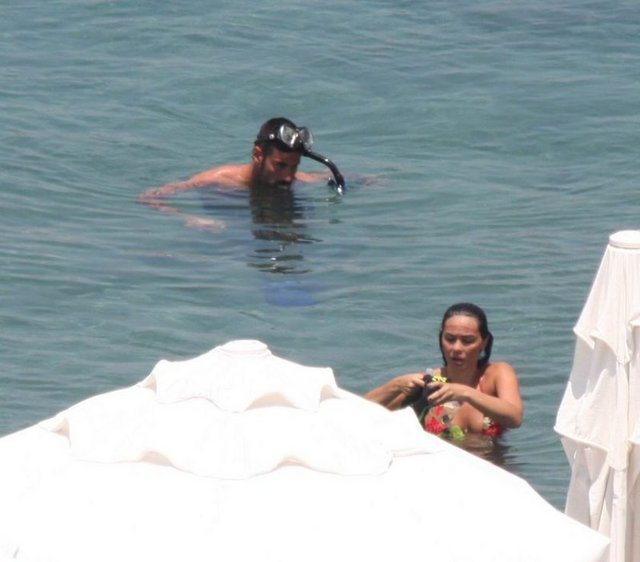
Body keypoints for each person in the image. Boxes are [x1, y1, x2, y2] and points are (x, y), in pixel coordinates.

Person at [137, 117, 340, 231]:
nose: (289, 177)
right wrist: (190, 218)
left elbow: (339, 177)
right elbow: (148, 197)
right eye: (280, 166)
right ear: (258, 155)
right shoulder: (217, 179)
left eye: (294, 166)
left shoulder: (299, 179)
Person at [365, 303, 523, 439]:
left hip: (492, 463)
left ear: (484, 342)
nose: (457, 348)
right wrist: (395, 385)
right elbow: (358, 413)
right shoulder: (431, 382)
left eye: (467, 340)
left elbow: (515, 418)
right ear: (441, 339)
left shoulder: (496, 373)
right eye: (450, 339)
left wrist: (465, 393)